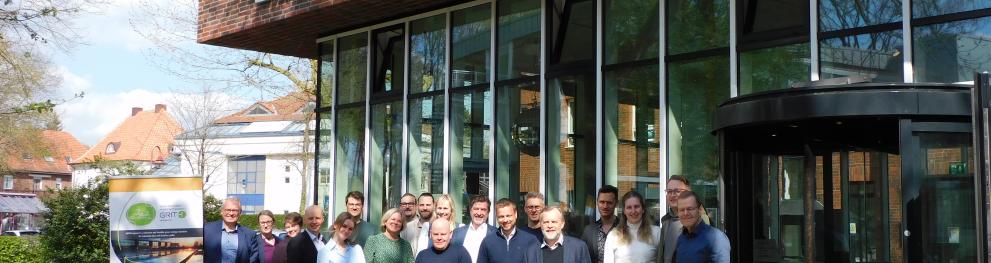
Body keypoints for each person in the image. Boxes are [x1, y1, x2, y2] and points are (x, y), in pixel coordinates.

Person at [659, 176, 710, 263]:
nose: (672, 195)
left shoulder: (700, 220)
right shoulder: (666, 220)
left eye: (677, 191)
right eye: (669, 191)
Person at [603, 191, 661, 263]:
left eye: (636, 206)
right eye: (629, 207)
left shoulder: (656, 232)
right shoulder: (613, 235)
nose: (633, 211)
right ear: (624, 211)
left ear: (643, 209)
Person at [476, 198, 540, 263]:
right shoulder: (488, 241)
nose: (505, 220)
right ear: (496, 217)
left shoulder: (530, 240)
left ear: (516, 215)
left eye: (508, 216)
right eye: (501, 216)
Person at [674, 191, 730, 263]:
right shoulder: (681, 239)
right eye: (681, 210)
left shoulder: (716, 238)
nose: (685, 213)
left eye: (690, 209)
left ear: (700, 209)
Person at [204, 197, 259, 263]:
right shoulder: (207, 229)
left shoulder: (250, 235)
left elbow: (253, 260)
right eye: (228, 210)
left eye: (235, 210)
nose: (231, 213)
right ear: (222, 211)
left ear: (240, 213)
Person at [451, 195, 497, 263]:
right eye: (476, 209)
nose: (479, 213)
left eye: (483, 210)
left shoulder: (495, 233)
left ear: (488, 213)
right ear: (470, 211)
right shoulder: (457, 233)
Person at [581, 185, 619, 263]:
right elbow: (583, 257)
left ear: (616, 204)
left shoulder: (625, 227)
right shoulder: (589, 231)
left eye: (609, 203)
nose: (605, 206)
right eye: (602, 202)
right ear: (597, 203)